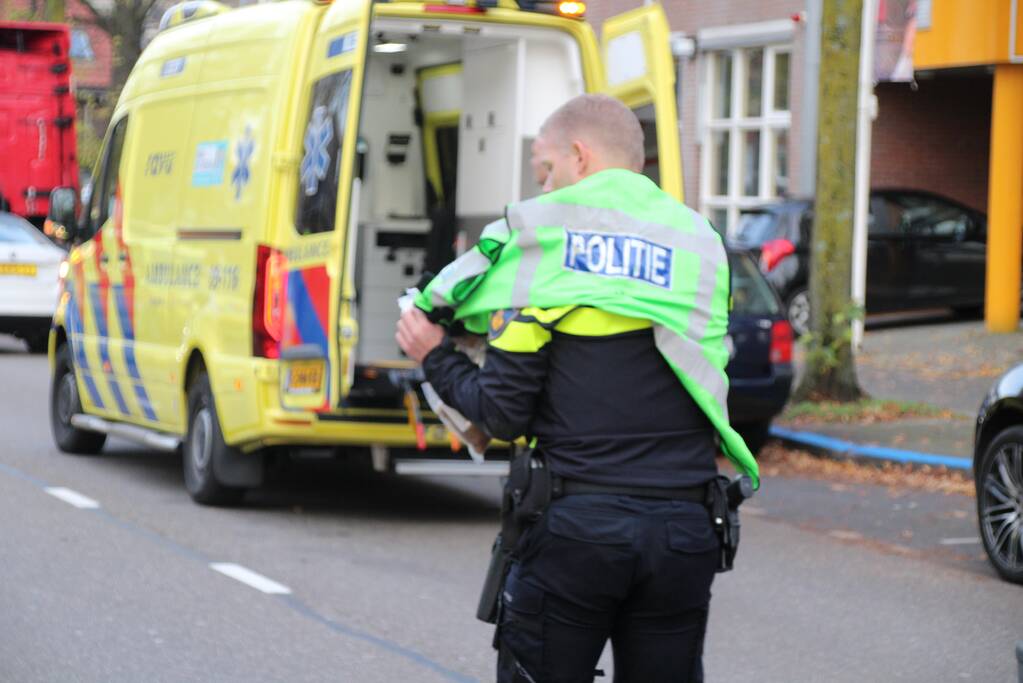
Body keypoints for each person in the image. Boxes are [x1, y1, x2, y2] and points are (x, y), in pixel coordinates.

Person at [396, 94, 757, 682]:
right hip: (685, 528)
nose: (542, 188)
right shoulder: (701, 244)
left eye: (545, 169)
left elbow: (504, 413)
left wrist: (435, 355)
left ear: (580, 158)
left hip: (579, 530)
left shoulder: (546, 247)